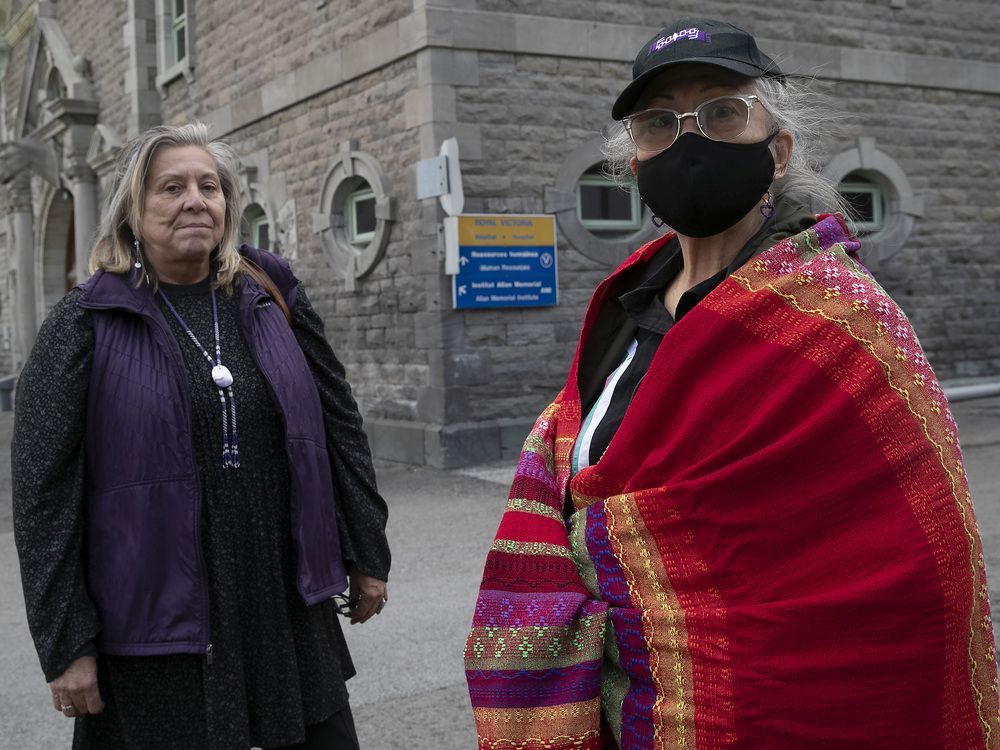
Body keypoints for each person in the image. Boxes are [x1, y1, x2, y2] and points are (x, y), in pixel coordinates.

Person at [465, 18, 998, 748]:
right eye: (660, 123)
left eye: (722, 112)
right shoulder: (625, 311)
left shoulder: (841, 320)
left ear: (777, 151)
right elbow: (573, 469)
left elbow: (908, 566)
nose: (690, 141)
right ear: (634, 166)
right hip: (623, 722)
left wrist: (608, 560)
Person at [12, 123, 391, 749]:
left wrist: (366, 552)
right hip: (155, 627)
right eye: (171, 187)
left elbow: (338, 426)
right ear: (133, 212)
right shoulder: (84, 324)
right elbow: (42, 498)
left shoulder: (272, 296)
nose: (195, 200)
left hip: (282, 607)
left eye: (208, 186)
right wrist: (66, 642)